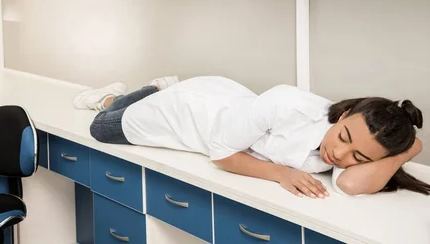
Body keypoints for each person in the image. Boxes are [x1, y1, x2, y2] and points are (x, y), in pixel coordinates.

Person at [73, 76, 430, 198]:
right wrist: (281, 174)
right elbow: (221, 153)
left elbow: (351, 186)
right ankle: (136, 92)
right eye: (344, 135)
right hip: (191, 111)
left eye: (359, 157)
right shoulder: (288, 103)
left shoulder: (355, 150)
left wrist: (406, 149)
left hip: (233, 109)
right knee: (101, 126)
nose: (339, 154)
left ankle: (151, 89)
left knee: (109, 122)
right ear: (346, 113)